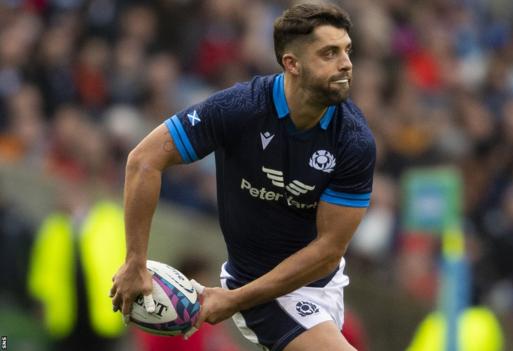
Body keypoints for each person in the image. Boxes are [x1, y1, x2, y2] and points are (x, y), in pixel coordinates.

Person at [109, 2, 376, 351]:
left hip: (322, 283)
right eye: (329, 53)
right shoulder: (241, 109)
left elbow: (328, 251)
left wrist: (233, 301)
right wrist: (135, 261)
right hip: (259, 287)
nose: (346, 64)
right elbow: (143, 161)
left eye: (347, 51)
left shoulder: (354, 140)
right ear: (291, 64)